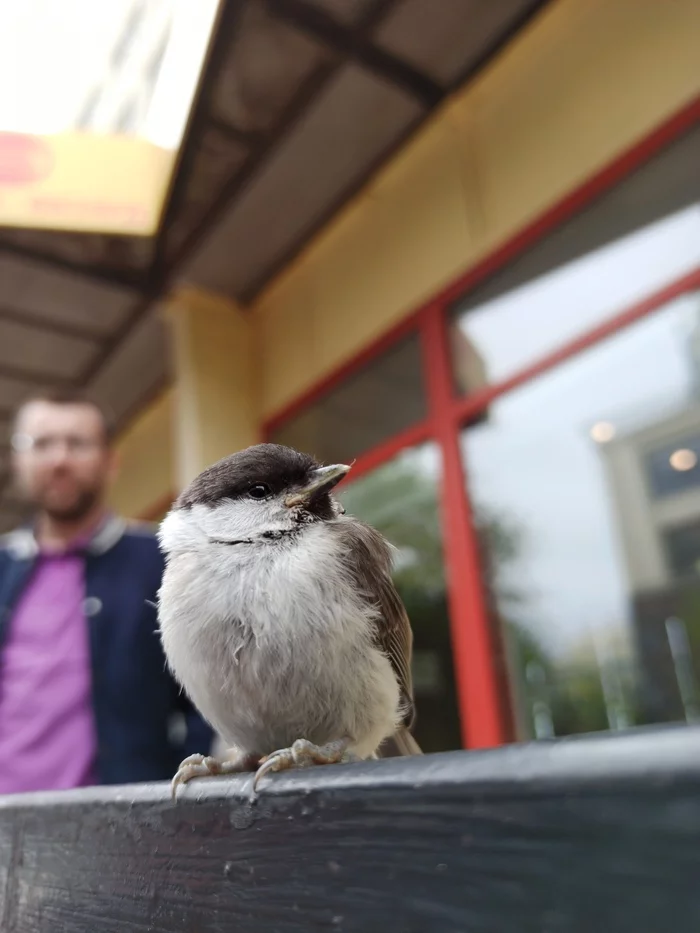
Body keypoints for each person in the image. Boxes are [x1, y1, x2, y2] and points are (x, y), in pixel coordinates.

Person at [0, 392, 212, 793]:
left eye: (77, 443)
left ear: (111, 461)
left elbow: (208, 693)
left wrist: (183, 802)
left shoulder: (164, 562)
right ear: (18, 461)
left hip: (123, 832)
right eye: (41, 444)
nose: (59, 459)